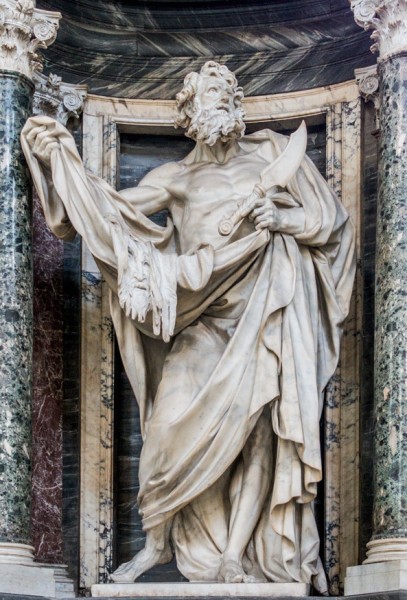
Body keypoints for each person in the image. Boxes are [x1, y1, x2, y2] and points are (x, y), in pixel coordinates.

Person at [22, 61, 355, 592]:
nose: (217, 101)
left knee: (258, 438)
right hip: (203, 320)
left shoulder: (272, 155)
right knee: (164, 432)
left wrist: (284, 221)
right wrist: (61, 159)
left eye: (224, 92)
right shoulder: (175, 178)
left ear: (237, 103)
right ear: (189, 113)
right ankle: (154, 546)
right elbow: (108, 216)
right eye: (205, 94)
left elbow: (331, 226)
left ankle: (230, 557)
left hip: (265, 310)